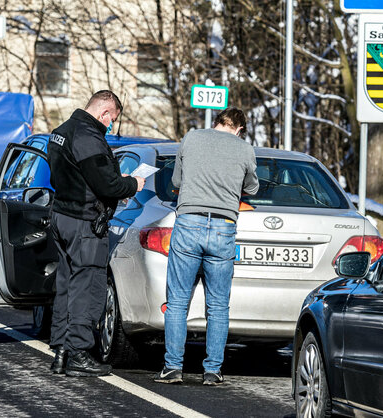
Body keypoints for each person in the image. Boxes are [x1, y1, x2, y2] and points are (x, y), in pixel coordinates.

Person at [154, 108, 258, 386]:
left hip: (188, 223)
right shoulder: (245, 148)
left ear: (217, 123)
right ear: (240, 128)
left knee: (177, 301)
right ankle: (212, 370)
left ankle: (173, 367)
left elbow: (176, 181)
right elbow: (253, 187)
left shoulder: (191, 138)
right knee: (218, 305)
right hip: (224, 227)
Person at [47, 90, 145, 377]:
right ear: (104, 112)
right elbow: (107, 186)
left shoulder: (61, 131)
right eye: (112, 119)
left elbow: (58, 178)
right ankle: (78, 352)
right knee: (88, 287)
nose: (111, 125)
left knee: (66, 285)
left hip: (62, 216)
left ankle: (62, 351)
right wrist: (132, 184)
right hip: (85, 222)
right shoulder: (89, 138)